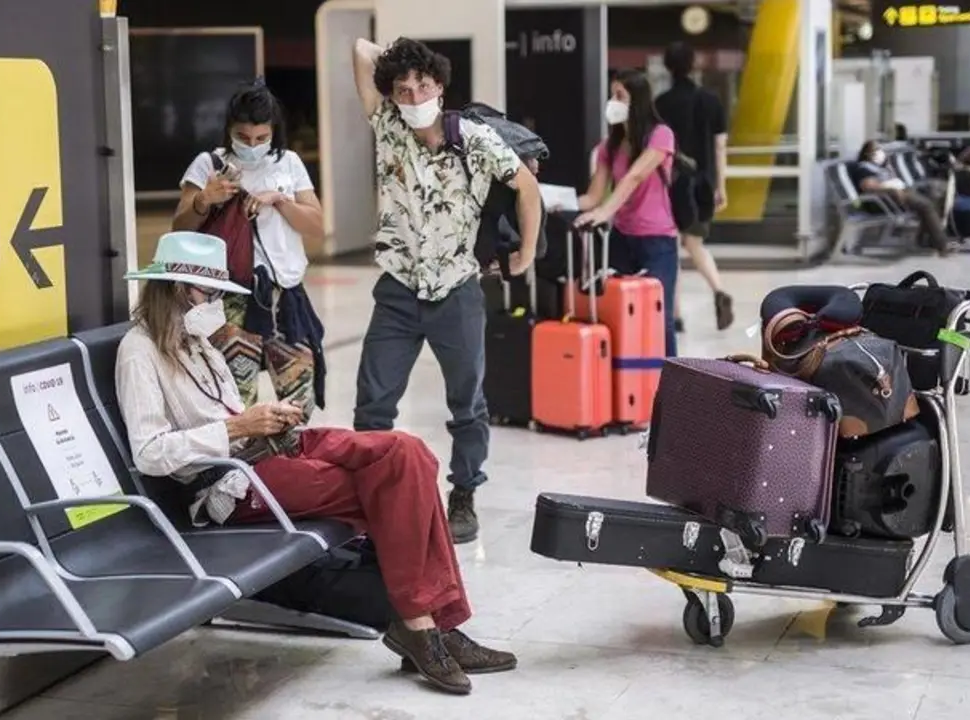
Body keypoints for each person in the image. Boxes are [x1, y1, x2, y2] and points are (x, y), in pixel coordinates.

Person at [116, 232, 517, 696]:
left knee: (410, 454)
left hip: (262, 451)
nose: (217, 304)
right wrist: (237, 427)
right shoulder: (139, 352)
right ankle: (429, 628)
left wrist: (264, 420)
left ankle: (429, 628)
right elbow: (150, 452)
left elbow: (228, 415)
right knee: (396, 486)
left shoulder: (197, 344)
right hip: (228, 484)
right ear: (177, 288)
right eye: (210, 293)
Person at [349, 37, 543, 545]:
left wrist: (526, 252)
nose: (414, 97)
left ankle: (464, 493)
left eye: (423, 86)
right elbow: (361, 49)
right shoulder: (387, 127)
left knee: (467, 403)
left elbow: (526, 187)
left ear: (440, 86)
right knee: (373, 404)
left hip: (456, 289)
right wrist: (400, 62)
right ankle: (371, 495)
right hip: (397, 289)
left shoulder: (474, 139)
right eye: (403, 90)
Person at [172, 81, 326, 462]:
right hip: (230, 300)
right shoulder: (208, 165)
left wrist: (280, 200)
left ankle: (286, 470)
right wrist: (205, 199)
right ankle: (244, 476)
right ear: (229, 129)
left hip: (285, 297)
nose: (252, 144)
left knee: (299, 398)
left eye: (261, 137)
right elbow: (179, 227)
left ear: (274, 131)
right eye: (243, 137)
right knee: (236, 401)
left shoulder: (289, 163)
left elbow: (316, 224)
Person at [573, 69, 680, 357]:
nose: (613, 102)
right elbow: (593, 197)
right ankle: (627, 376)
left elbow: (634, 177)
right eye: (612, 95)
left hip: (657, 241)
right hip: (622, 239)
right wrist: (551, 200)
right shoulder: (609, 146)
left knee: (659, 318)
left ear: (638, 99)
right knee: (618, 312)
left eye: (620, 95)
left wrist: (605, 211)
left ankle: (671, 378)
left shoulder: (661, 136)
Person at [654, 45, 734, 332]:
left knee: (672, 246)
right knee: (695, 244)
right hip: (703, 185)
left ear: (668, 67)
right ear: (694, 65)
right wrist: (720, 185)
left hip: (671, 184)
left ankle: (676, 315)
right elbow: (720, 146)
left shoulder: (661, 103)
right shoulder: (710, 101)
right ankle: (719, 290)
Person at [849, 140, 953, 256]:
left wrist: (888, 168)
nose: (881, 152)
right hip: (886, 199)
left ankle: (927, 240)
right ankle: (942, 245)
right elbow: (867, 186)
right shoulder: (864, 168)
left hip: (897, 194)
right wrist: (891, 190)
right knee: (926, 206)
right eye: (876, 150)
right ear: (867, 154)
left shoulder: (878, 167)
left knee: (934, 197)